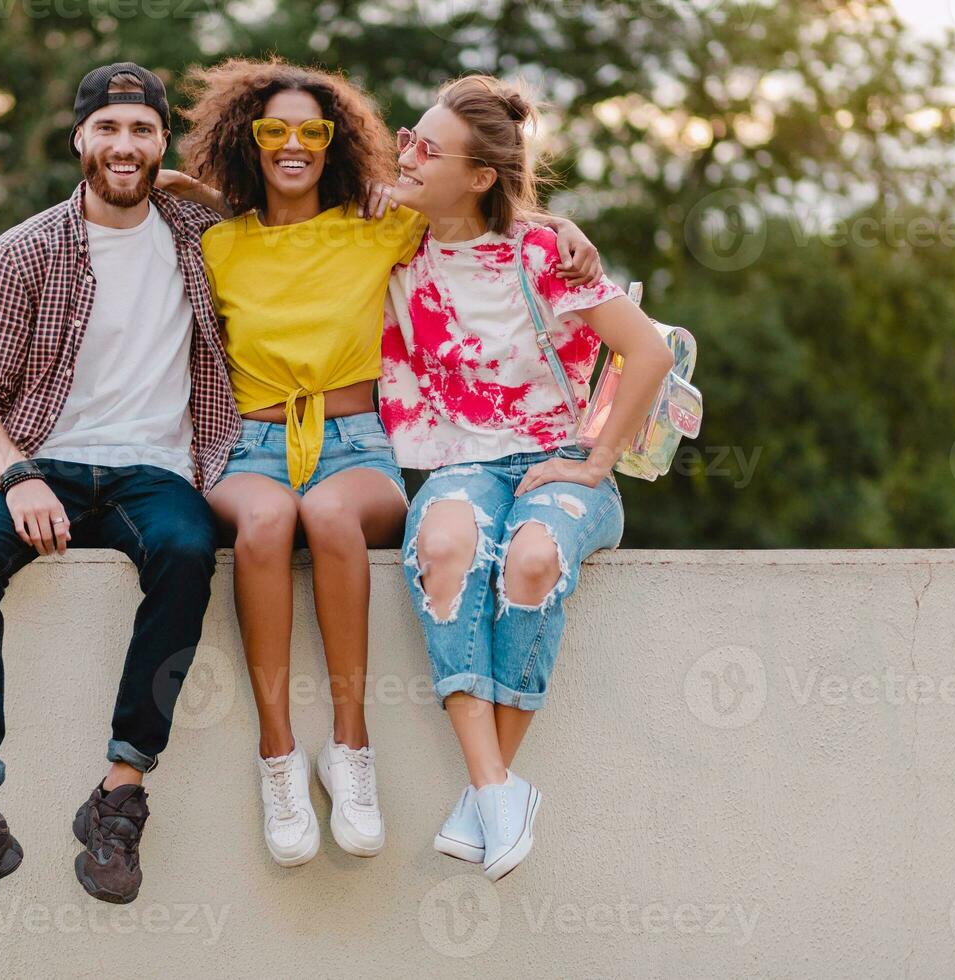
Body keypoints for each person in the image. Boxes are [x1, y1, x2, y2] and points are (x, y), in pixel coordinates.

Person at [163, 57, 602, 867]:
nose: (292, 143)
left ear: (335, 143)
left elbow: (488, 209)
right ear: (245, 141)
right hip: (252, 446)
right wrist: (193, 193)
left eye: (311, 131)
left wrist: (567, 231)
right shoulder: (216, 243)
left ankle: (351, 750)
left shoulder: (380, 223)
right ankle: (278, 757)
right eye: (272, 131)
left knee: (329, 515)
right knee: (264, 525)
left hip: (355, 445)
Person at [0, 62, 239, 915]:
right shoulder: (25, 250)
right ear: (79, 139)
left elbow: (289, 199)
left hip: (159, 471)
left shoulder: (202, 234)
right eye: (108, 130)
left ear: (162, 141)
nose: (124, 146)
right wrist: (18, 474)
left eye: (142, 131)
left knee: (186, 551)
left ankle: (119, 795)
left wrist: (169, 178)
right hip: (47, 464)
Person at [381, 75, 673, 880]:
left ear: (479, 177)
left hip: (559, 463)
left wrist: (597, 457)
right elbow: (281, 193)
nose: (406, 154)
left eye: (426, 150)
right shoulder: (389, 237)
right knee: (445, 547)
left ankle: (487, 795)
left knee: (533, 558)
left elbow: (646, 351)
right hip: (457, 463)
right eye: (408, 136)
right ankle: (497, 789)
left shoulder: (543, 252)